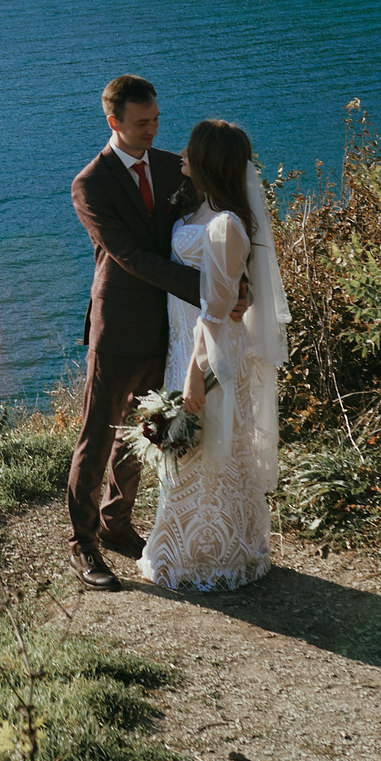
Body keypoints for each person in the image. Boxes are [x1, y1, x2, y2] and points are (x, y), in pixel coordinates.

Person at [138, 118, 291, 593]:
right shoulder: (201, 210)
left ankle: (210, 557)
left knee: (212, 453)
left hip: (212, 355)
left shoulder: (225, 225)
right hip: (189, 346)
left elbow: (218, 312)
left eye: (189, 148)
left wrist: (194, 374)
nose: (178, 152)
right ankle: (194, 547)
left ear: (207, 161)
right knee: (200, 453)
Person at [65, 74, 204, 591]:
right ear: (114, 122)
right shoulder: (90, 184)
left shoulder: (171, 166)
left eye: (156, 120)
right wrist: (205, 287)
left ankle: (117, 522)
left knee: (144, 432)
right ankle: (82, 544)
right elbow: (129, 256)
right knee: (97, 437)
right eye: (142, 123)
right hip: (117, 325)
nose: (152, 130)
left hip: (167, 324)